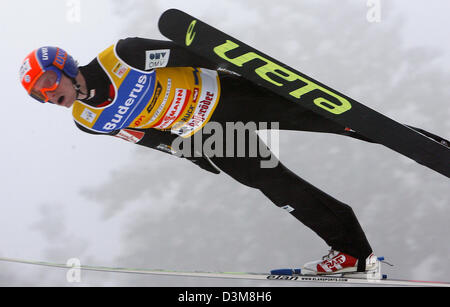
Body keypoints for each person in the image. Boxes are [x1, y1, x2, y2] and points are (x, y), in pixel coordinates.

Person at [20, 38, 415, 275]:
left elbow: (192, 54)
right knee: (277, 187)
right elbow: (144, 136)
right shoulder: (87, 120)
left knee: (333, 118)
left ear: (66, 65)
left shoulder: (123, 57)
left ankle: (427, 145)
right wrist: (188, 153)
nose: (50, 94)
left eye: (49, 81)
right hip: (210, 134)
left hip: (226, 96)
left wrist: (245, 71)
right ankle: (351, 251)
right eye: (39, 94)